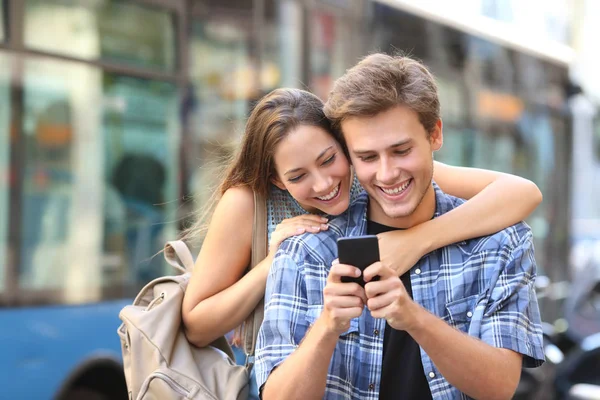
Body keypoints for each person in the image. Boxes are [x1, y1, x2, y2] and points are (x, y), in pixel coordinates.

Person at [256, 54, 545, 400]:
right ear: (348, 155)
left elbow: (499, 387)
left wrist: (414, 318)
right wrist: (327, 325)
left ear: (434, 134)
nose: (387, 173)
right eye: (367, 157)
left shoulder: (500, 242)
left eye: (401, 150)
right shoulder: (307, 250)